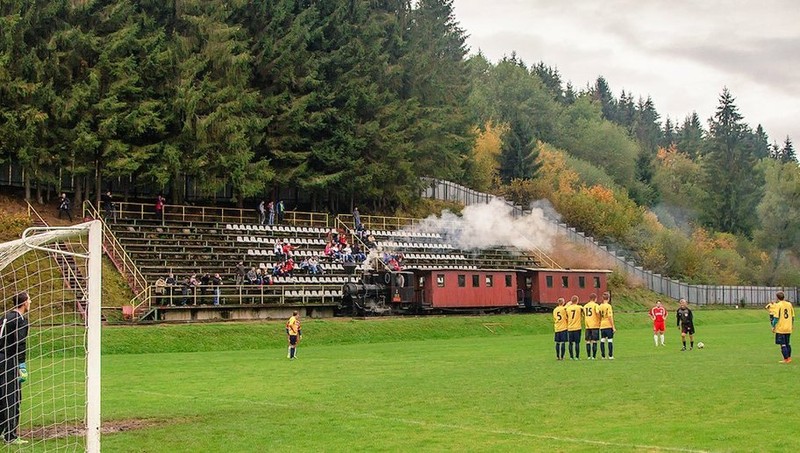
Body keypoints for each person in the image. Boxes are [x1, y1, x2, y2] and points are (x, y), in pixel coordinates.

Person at [1, 292, 31, 445]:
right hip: (10, 361)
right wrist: (22, 365)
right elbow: (20, 344)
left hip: (0, 359)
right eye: (29, 299)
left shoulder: (5, 317)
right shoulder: (20, 320)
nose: (30, 302)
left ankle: (2, 430)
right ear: (25, 303)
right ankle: (10, 436)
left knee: (2, 395)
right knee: (14, 397)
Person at [773, 291, 794, 363]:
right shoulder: (789, 304)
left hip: (781, 328)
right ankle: (789, 357)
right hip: (788, 327)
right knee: (788, 343)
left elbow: (776, 317)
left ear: (777, 297)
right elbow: (792, 316)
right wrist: (792, 325)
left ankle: (786, 359)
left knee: (783, 344)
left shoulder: (778, 305)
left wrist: (773, 326)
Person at [598, 291, 616, 359]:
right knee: (610, 340)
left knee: (602, 340)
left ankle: (603, 356)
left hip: (602, 325)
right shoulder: (608, 306)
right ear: (608, 298)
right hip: (608, 325)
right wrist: (613, 326)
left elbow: (598, 314)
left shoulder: (600, 306)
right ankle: (610, 355)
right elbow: (609, 316)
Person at [582, 293, 601, 359]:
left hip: (587, 325)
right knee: (594, 341)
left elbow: (584, 314)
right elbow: (598, 312)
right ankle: (594, 356)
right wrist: (599, 319)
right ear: (595, 298)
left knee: (588, 341)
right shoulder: (596, 305)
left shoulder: (585, 306)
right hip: (595, 324)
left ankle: (588, 356)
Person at [565, 296, 583, 360]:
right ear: (577, 301)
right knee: (577, 343)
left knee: (570, 343)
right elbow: (583, 309)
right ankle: (577, 357)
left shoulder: (568, 309)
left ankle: (571, 356)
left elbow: (564, 309)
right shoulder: (579, 307)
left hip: (570, 327)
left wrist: (568, 304)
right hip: (577, 327)